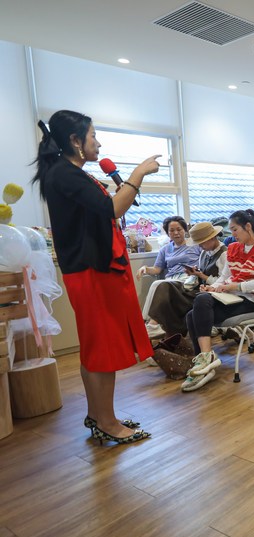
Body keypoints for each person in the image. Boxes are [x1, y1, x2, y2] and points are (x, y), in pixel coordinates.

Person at [33, 110, 159, 444]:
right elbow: (113, 209)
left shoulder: (70, 173)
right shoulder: (66, 174)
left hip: (92, 268)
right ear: (75, 141)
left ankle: (99, 416)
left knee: (94, 347)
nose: (98, 142)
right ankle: (107, 422)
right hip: (91, 271)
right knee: (102, 348)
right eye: (92, 136)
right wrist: (138, 174)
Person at [181, 209, 254, 392]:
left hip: (249, 300)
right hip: (229, 297)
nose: (232, 234)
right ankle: (204, 360)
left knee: (195, 311)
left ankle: (204, 360)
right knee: (195, 309)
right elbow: (224, 277)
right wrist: (213, 287)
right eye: (231, 230)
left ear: (248, 227)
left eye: (235, 230)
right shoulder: (233, 249)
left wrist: (234, 287)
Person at [146, 221, 228, 337]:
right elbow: (202, 273)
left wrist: (201, 276)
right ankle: (156, 326)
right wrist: (194, 272)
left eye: (201, 243)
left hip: (212, 295)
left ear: (212, 238)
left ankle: (171, 332)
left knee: (172, 298)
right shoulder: (205, 252)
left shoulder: (224, 254)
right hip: (199, 289)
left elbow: (223, 283)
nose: (199, 246)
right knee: (164, 286)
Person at [138, 215, 201, 338]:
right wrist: (145, 268)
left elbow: (204, 263)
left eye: (179, 229)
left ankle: (150, 324)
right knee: (158, 284)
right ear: (167, 233)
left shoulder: (195, 246)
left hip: (187, 279)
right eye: (171, 230)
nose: (176, 233)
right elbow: (157, 269)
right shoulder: (165, 249)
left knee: (158, 284)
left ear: (185, 230)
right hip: (170, 280)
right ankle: (148, 325)